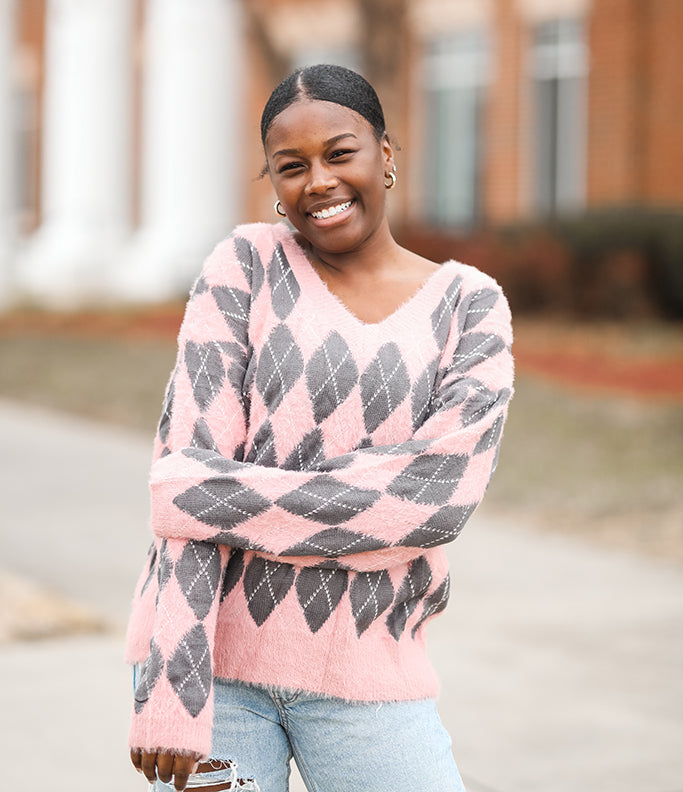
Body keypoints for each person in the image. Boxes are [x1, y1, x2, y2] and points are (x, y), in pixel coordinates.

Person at [126, 63, 514, 792]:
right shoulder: (243, 266)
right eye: (291, 166)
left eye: (340, 153)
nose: (319, 182)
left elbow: (432, 500)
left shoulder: (469, 306)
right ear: (272, 182)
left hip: (370, 678)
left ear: (386, 155)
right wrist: (172, 692)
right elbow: (183, 486)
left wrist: (211, 494)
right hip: (212, 684)